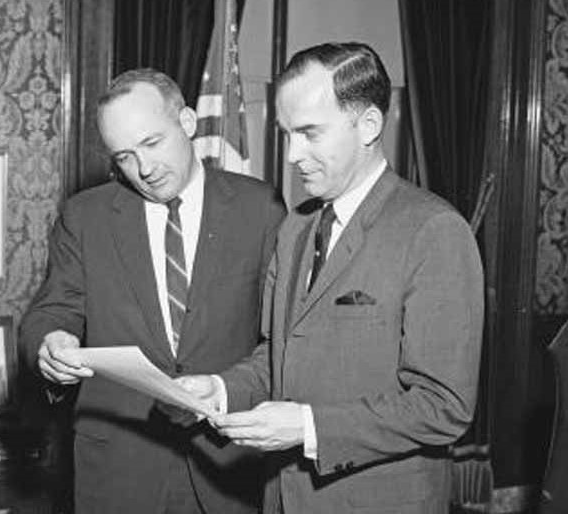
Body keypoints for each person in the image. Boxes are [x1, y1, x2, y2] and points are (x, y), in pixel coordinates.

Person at [177, 42, 485, 514]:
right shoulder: (295, 226)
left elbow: (443, 406)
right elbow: (276, 356)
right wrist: (219, 389)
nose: (293, 154)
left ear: (369, 125)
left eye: (310, 133)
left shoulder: (433, 230)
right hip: (282, 497)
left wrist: (309, 427)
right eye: (286, 134)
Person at [19, 68, 286, 514]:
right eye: (124, 156)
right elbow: (50, 312)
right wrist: (50, 344)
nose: (143, 169)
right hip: (119, 470)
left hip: (229, 463)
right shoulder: (86, 217)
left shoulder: (262, 209)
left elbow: (282, 337)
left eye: (151, 143)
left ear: (186, 122)